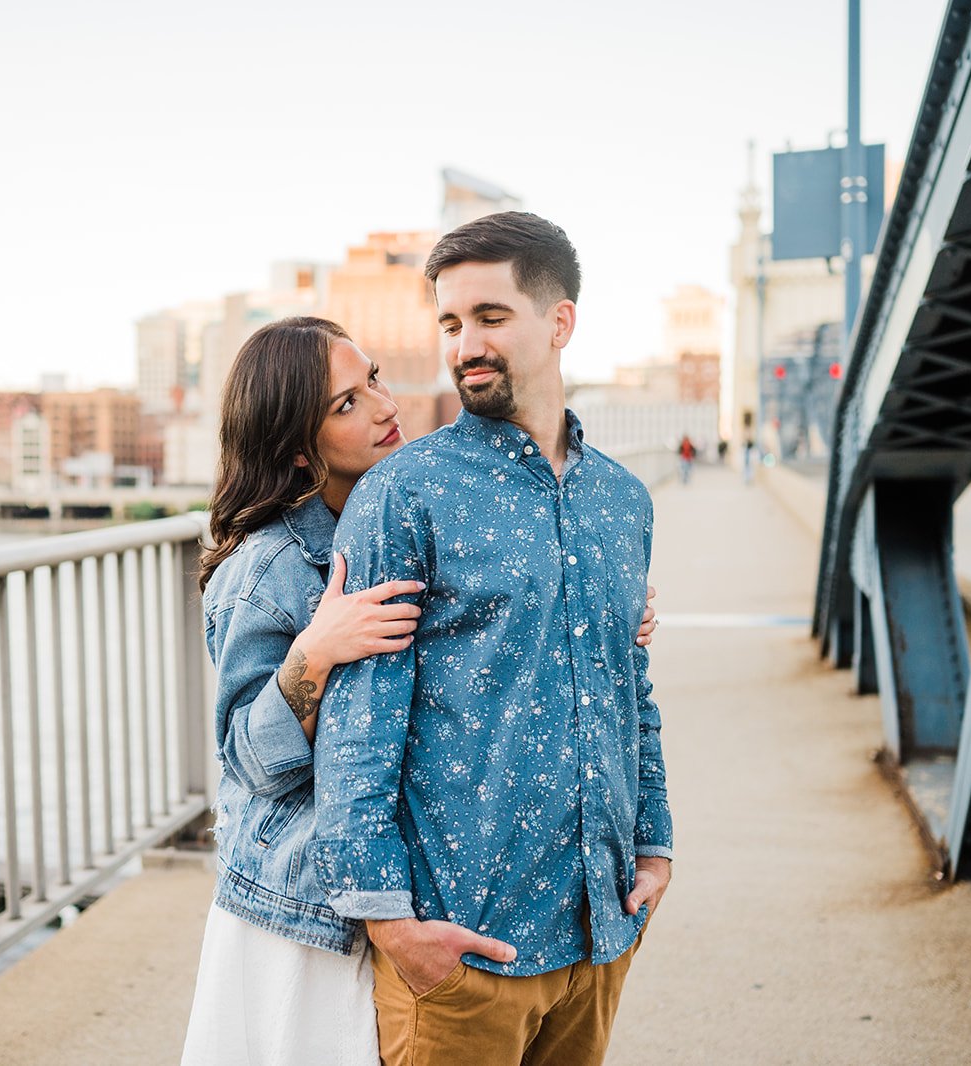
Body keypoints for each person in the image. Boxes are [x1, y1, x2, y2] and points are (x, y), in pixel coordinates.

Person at [181, 316, 659, 1065]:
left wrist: (591, 605)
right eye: (346, 404)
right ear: (298, 448)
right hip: (306, 912)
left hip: (393, 887)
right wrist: (314, 653)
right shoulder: (272, 567)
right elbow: (247, 759)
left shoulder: (406, 514)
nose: (381, 405)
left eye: (372, 378)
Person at [314, 212, 673, 1066]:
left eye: (490, 317)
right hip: (462, 951)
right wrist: (391, 924)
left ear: (560, 322)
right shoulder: (405, 495)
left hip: (598, 932)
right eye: (450, 323)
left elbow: (633, 687)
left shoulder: (622, 501)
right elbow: (357, 728)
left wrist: (655, 845)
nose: (464, 343)